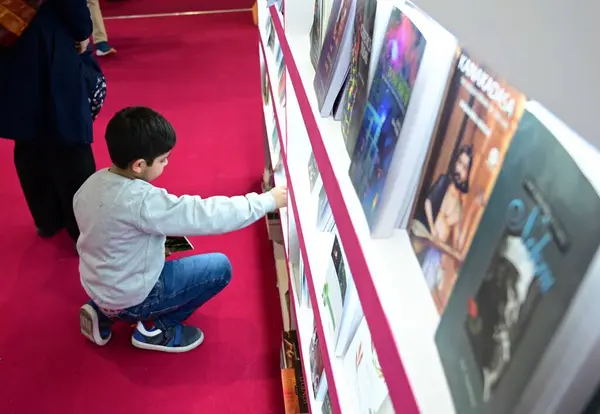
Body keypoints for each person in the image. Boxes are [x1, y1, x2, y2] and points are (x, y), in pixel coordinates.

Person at [75, 107, 288, 353]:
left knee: (152, 256)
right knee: (219, 267)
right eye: (163, 159)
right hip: (132, 295)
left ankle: (104, 312)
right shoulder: (143, 202)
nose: (167, 163)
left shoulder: (92, 182)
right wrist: (267, 201)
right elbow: (206, 214)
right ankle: (155, 329)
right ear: (139, 165)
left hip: (96, 281)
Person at [0, 0, 98, 241]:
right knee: (68, 134)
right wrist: (82, 30)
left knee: (27, 133)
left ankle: (48, 219)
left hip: (9, 35)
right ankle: (86, 230)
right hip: (46, 39)